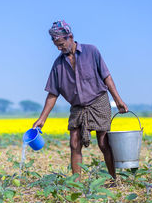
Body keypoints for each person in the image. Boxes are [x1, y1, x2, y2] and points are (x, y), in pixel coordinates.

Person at [33, 20, 128, 182]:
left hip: (99, 102)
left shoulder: (92, 51)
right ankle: (76, 183)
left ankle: (113, 179)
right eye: (56, 45)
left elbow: (107, 77)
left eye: (61, 44)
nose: (59, 48)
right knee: (74, 143)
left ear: (70, 37)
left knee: (104, 143)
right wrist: (42, 119)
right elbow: (52, 94)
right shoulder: (58, 64)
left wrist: (118, 100)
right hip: (77, 107)